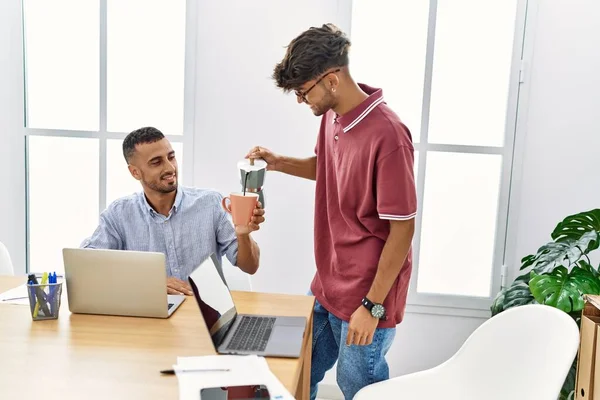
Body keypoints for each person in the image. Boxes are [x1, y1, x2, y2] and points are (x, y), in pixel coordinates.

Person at [246, 24, 416, 399]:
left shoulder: (389, 136)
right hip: (328, 282)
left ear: (332, 80)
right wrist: (278, 162)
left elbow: (402, 231)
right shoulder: (332, 117)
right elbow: (328, 168)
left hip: (368, 294)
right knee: (298, 371)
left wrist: (371, 307)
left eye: (304, 92)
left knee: (358, 388)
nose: (301, 101)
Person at [83, 127, 265, 295]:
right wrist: (150, 283)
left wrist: (243, 234)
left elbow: (251, 266)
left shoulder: (211, 203)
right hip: (149, 319)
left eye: (171, 157)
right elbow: (87, 266)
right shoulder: (119, 215)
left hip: (206, 317)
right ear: (135, 172)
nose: (170, 168)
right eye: (156, 162)